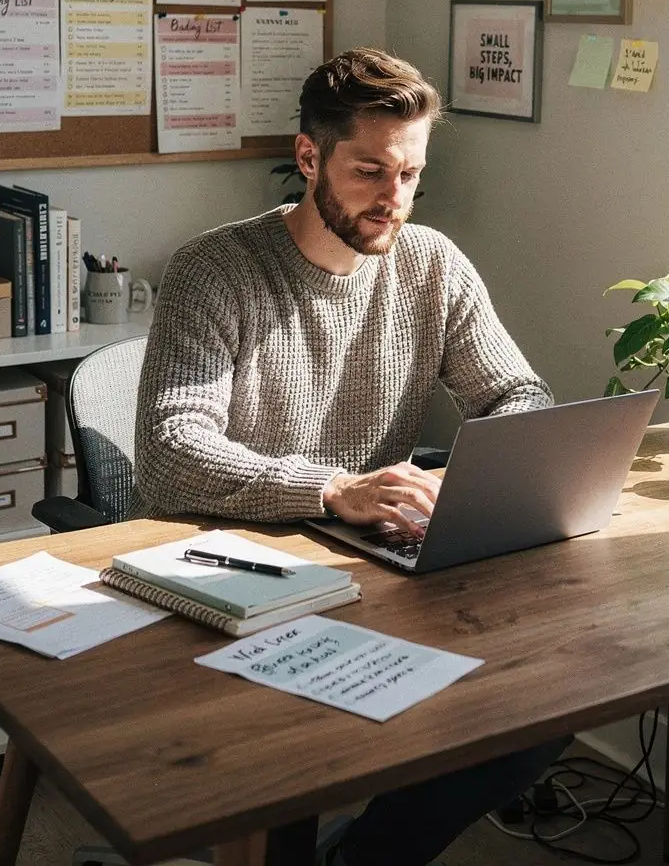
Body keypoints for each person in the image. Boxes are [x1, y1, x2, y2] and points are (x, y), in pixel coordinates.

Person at [132, 47, 569, 866]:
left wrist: (464, 479)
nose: (393, 198)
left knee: (542, 708)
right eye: (370, 171)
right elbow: (170, 452)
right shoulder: (214, 270)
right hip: (227, 571)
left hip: (366, 571)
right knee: (298, 753)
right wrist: (333, 488)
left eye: (411, 174)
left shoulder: (432, 264)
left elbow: (519, 394)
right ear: (309, 157)